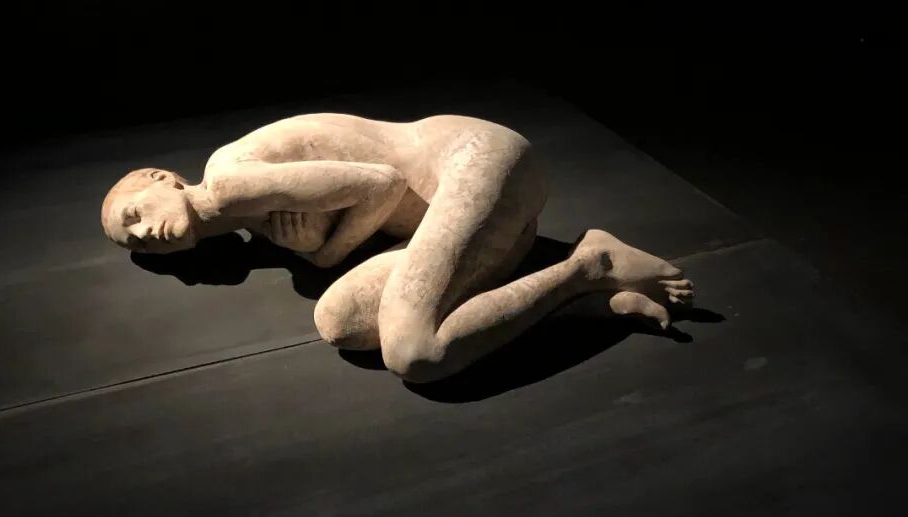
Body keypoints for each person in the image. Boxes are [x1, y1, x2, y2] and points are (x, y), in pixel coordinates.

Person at [101, 113, 694, 383]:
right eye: (137, 244)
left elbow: (381, 184)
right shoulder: (249, 219)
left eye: (134, 215)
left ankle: (589, 264)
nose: (144, 234)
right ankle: (570, 296)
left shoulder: (228, 183)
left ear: (158, 178)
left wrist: (324, 255)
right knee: (341, 323)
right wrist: (318, 245)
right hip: (444, 210)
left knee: (414, 354)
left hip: (474, 161)